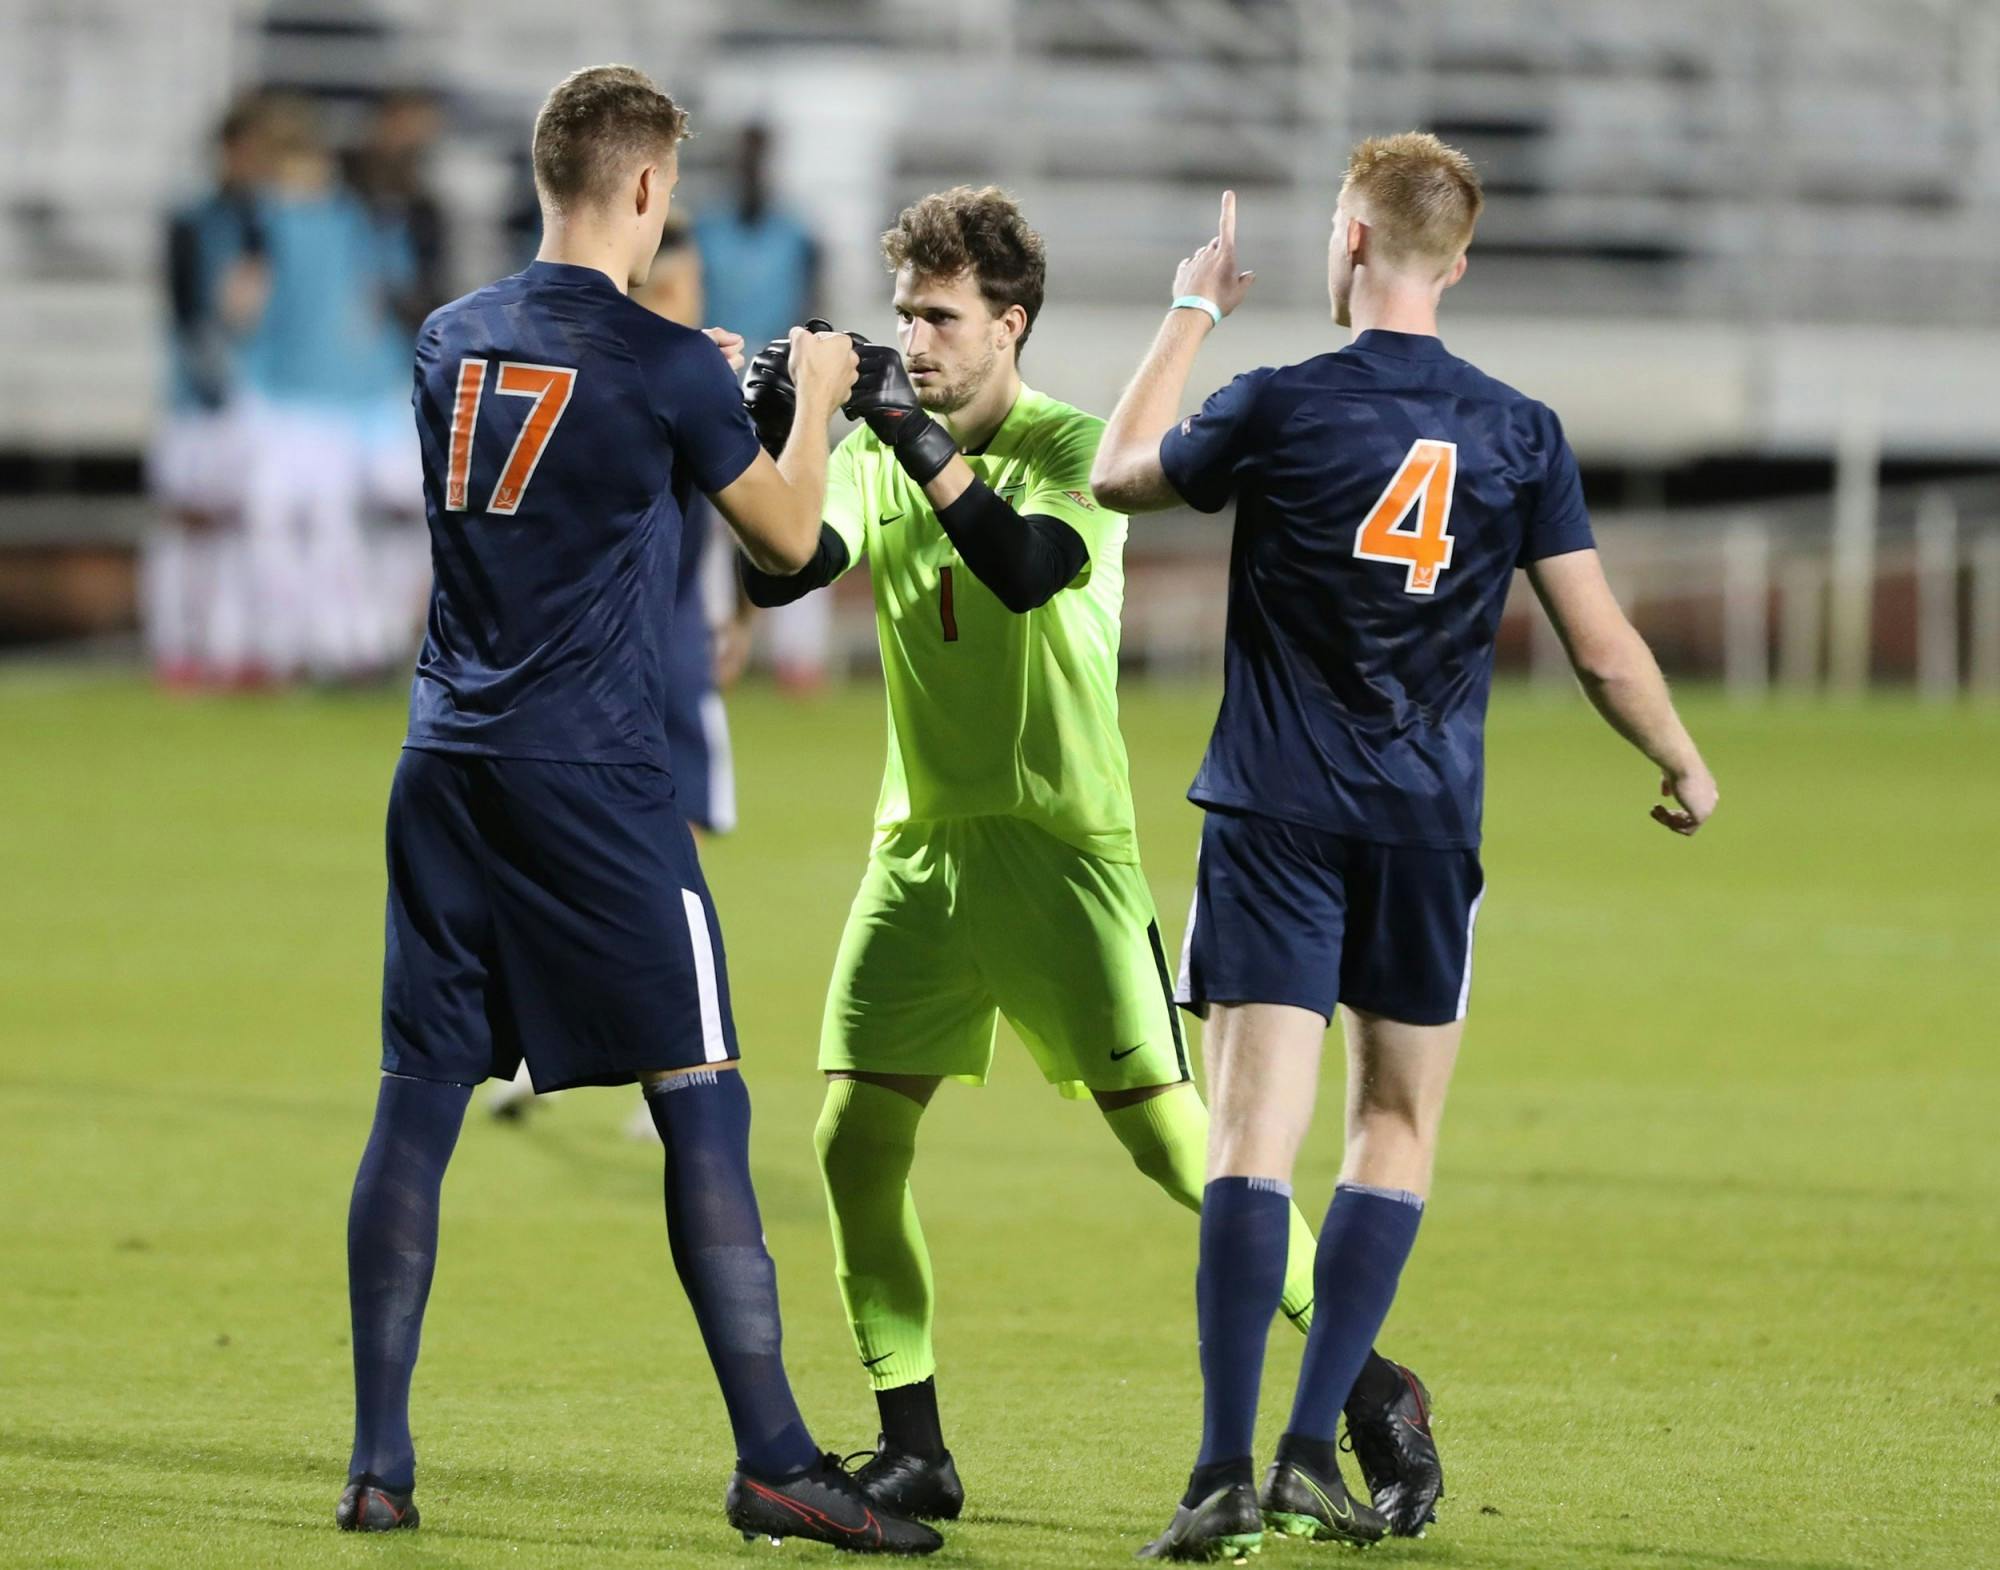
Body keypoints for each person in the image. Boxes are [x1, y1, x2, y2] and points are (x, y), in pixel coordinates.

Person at [736, 185, 1432, 1526]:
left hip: (1063, 857)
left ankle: (1370, 1388)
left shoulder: (1068, 447)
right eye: (901, 319)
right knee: (851, 1142)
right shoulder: (885, 448)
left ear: (1010, 324)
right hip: (923, 852)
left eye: (939, 318)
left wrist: (896, 424)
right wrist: (787, 418)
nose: (916, 342)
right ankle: (914, 1440)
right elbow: (781, 573)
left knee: (1181, 1151)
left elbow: (1027, 565)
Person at [336, 64, 938, 1555]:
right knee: (704, 1098)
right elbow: (794, 545)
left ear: (548, 181)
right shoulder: (664, 363)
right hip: (593, 775)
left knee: (419, 1099)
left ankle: (378, 1464)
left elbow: (566, 461)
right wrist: (802, 407)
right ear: (653, 188)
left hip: (445, 759)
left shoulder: (449, 336)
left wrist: (689, 390)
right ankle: (779, 1458)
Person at [1089, 137, 1719, 1560]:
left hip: (1274, 814)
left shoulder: (1279, 402)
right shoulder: (1520, 431)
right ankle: (1317, 1447)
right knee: (1397, 1128)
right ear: (1462, 258)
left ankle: (1219, 1472)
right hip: (1426, 830)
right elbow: (1600, 642)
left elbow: (1124, 469)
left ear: (1355, 243)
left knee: (1253, 1137)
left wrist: (1194, 309)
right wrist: (1679, 757)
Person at [484, 212, 756, 1130]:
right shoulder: (645, 378)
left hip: (667, 647)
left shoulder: (683, 376)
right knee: (600, 860)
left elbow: (750, 515)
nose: (684, 306)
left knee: (661, 858)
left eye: (689, 290)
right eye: (667, 291)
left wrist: (743, 611)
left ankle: (663, 1058)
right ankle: (587, 1049)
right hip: (606, 655)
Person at [236, 96, 414, 682]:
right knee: (294, 527)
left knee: (333, 529)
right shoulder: (274, 222)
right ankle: (308, 645)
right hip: (293, 394)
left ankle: (348, 645)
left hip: (334, 398)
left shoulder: (343, 222)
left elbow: (245, 305)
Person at [695, 123, 832, 691]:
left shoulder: (799, 236)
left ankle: (799, 656)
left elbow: (812, 310)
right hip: (714, 382)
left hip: (777, 390)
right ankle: (711, 643)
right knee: (708, 521)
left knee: (795, 514)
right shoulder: (704, 231)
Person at [146, 95, 272, 688]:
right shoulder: (191, 218)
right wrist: (211, 376)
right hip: (196, 398)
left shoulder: (261, 221)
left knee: (240, 527)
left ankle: (231, 648)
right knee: (186, 523)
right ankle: (175, 646)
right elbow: (187, 309)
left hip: (252, 395)